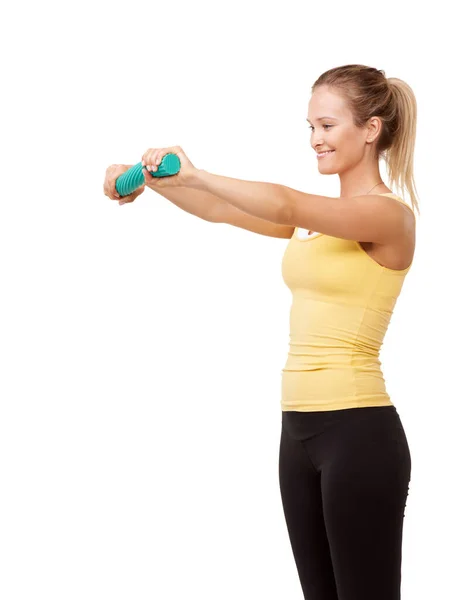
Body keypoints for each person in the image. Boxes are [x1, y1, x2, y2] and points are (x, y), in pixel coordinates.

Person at [103, 64, 419, 600]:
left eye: (327, 126)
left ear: (370, 130)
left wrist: (195, 171)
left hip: (359, 435)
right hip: (298, 433)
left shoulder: (388, 217)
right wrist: (154, 184)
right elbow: (221, 210)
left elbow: (285, 202)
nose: (315, 140)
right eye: (310, 127)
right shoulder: (322, 219)